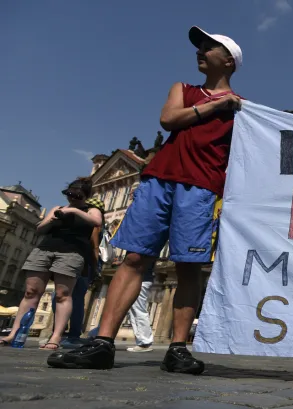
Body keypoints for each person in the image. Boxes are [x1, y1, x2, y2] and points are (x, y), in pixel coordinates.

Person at [47, 26, 243, 374]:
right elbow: (168, 119)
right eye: (198, 46)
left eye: (208, 46)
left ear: (228, 60)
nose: (200, 50)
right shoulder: (183, 90)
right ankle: (103, 342)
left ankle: (178, 348)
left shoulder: (242, 109)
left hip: (202, 189)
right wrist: (216, 105)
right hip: (160, 180)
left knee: (188, 266)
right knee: (135, 257)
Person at [0, 178, 103, 348]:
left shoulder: (91, 210)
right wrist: (52, 220)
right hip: (45, 249)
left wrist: (75, 212)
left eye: (77, 195)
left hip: (72, 253)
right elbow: (39, 228)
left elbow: (96, 222)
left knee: (63, 294)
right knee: (30, 292)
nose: (72, 198)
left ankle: (55, 337)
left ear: (85, 196)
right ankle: (14, 334)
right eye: (69, 194)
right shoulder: (58, 208)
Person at [56, 197, 106, 349]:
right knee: (75, 298)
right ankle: (72, 335)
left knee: (64, 296)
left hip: (77, 261)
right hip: (83, 263)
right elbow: (95, 248)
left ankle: (61, 333)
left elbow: (95, 245)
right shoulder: (94, 224)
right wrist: (96, 266)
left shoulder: (87, 223)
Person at [126, 262, 156, 352]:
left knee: (138, 309)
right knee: (133, 310)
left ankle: (145, 342)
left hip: (141, 280)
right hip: (141, 279)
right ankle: (142, 342)